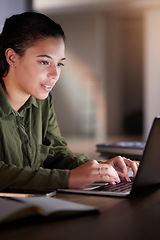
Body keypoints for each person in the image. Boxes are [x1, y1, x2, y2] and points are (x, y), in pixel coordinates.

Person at [0, 11, 139, 193]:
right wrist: (68, 178)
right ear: (12, 57)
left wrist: (100, 167)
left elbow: (56, 153)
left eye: (59, 64)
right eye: (44, 62)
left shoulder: (41, 100)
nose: (55, 75)